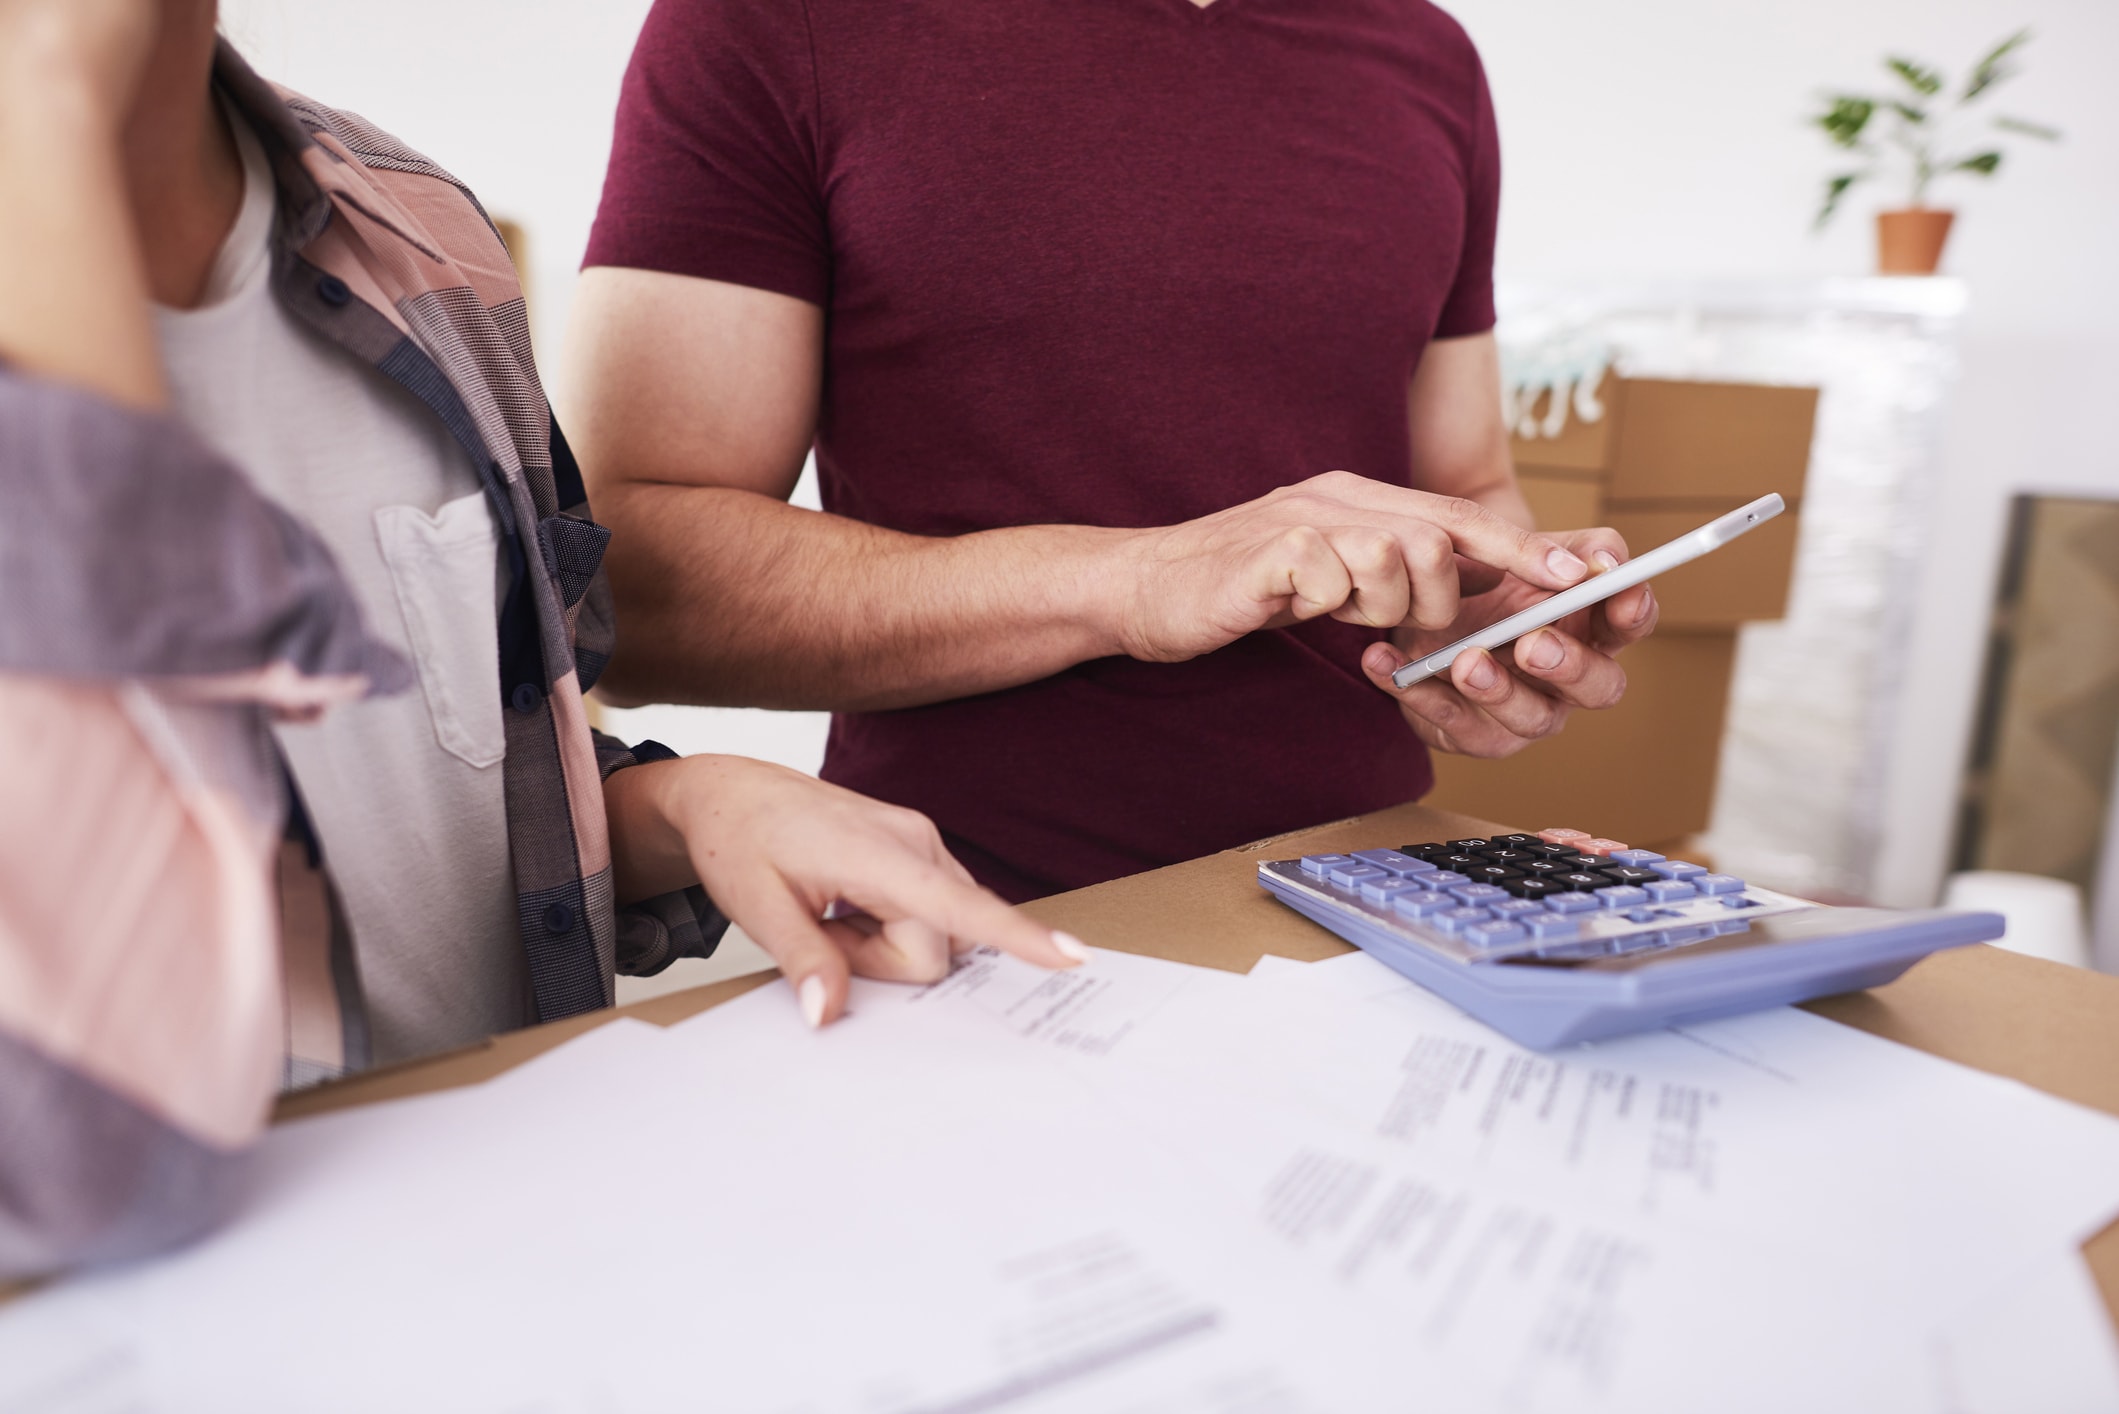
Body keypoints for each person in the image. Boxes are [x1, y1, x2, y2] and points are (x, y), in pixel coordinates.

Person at [0, 0, 1081, 1279]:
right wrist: (46, 106)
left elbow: (450, 776)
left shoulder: (420, 237)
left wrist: (686, 807)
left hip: (516, 1270)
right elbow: (102, 1164)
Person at [567, 0, 1662, 905]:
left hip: (1382, 896)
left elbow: (1464, 482)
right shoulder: (771, 22)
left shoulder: (1428, 55)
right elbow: (629, 588)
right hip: (970, 915)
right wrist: (1137, 578)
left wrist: (1490, 619)